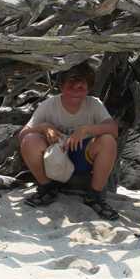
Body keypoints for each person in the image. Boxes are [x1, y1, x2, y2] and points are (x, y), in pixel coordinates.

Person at [18, 62, 119, 220]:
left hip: (83, 158)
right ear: (61, 86)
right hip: (54, 158)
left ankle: (95, 196)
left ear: (88, 88)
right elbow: (22, 135)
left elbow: (113, 129)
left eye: (81, 87)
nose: (76, 91)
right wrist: (44, 128)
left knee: (108, 141)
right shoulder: (49, 105)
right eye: (71, 85)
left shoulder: (94, 104)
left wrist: (86, 130)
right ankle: (47, 188)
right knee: (30, 140)